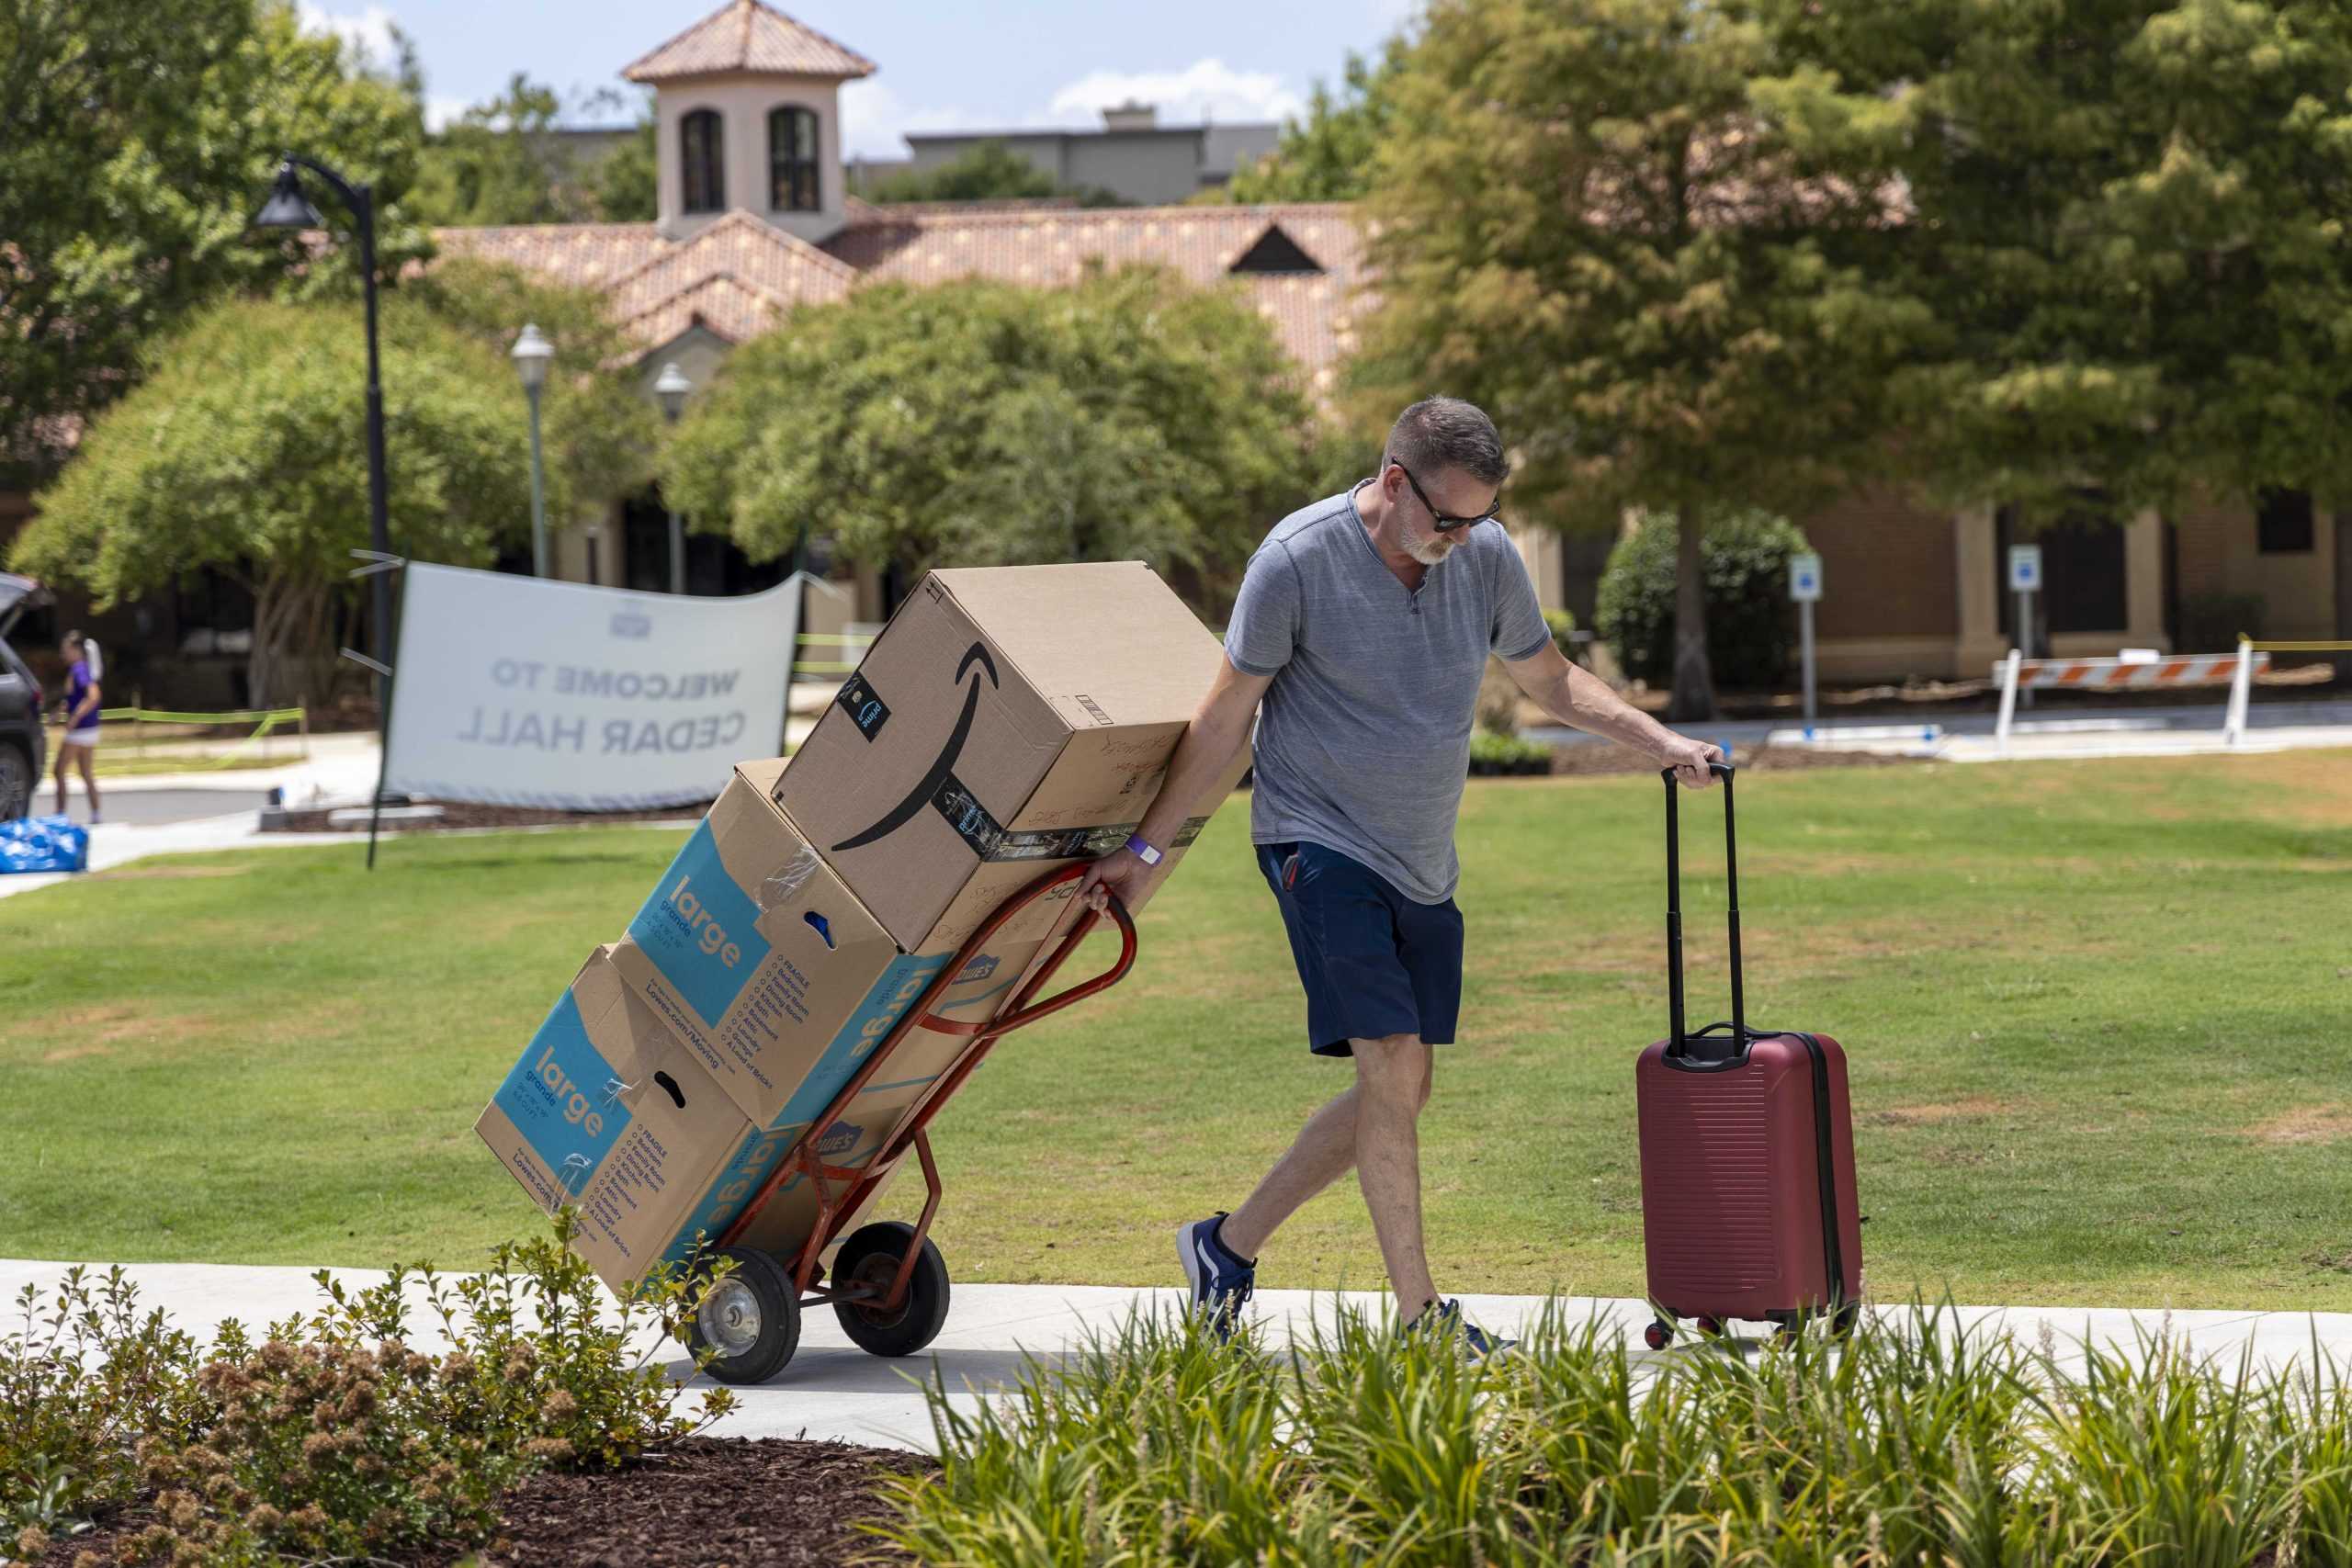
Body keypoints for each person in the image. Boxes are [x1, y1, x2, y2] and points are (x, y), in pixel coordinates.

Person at [1079, 397, 1723, 1355]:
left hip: (1421, 860)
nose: (1463, 539)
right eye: (1447, 518)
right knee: (1388, 1065)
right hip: (1315, 839)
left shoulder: (1485, 557)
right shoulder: (1295, 561)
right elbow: (1222, 726)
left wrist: (1655, 740)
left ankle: (1225, 1245)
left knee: (1403, 1088)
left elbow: (1548, 680)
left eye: (1477, 519)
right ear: (1392, 481)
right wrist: (1142, 856)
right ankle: (1424, 1321)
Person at [54, 630, 102, 824]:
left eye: (66, 649)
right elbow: (73, 698)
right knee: (86, 772)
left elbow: (93, 695)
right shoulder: (80, 669)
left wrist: (74, 717)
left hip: (81, 730)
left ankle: (60, 815)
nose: (63, 654)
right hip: (90, 729)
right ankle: (96, 814)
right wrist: (60, 711)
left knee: (58, 771)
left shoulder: (79, 669)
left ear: (76, 650)